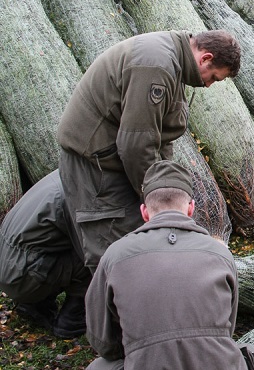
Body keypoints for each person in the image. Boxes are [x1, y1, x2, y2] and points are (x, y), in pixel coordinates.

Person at [55, 29, 240, 336]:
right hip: (96, 164)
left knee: (124, 238)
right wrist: (160, 203)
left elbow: (159, 136)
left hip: (112, 159)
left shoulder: (172, 63)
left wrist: (165, 184)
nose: (209, 84)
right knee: (112, 245)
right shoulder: (157, 66)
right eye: (214, 77)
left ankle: (89, 315)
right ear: (205, 58)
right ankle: (120, 336)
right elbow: (136, 145)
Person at [80, 160, 254, 370]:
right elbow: (226, 329)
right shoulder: (221, 255)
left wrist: (139, 350)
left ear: (144, 212)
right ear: (191, 208)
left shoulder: (115, 256)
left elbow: (102, 341)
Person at [0, 170, 91, 337]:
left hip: (11, 265)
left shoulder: (67, 170)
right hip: (23, 273)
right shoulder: (82, 189)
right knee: (94, 252)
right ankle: (72, 319)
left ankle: (35, 303)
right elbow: (92, 249)